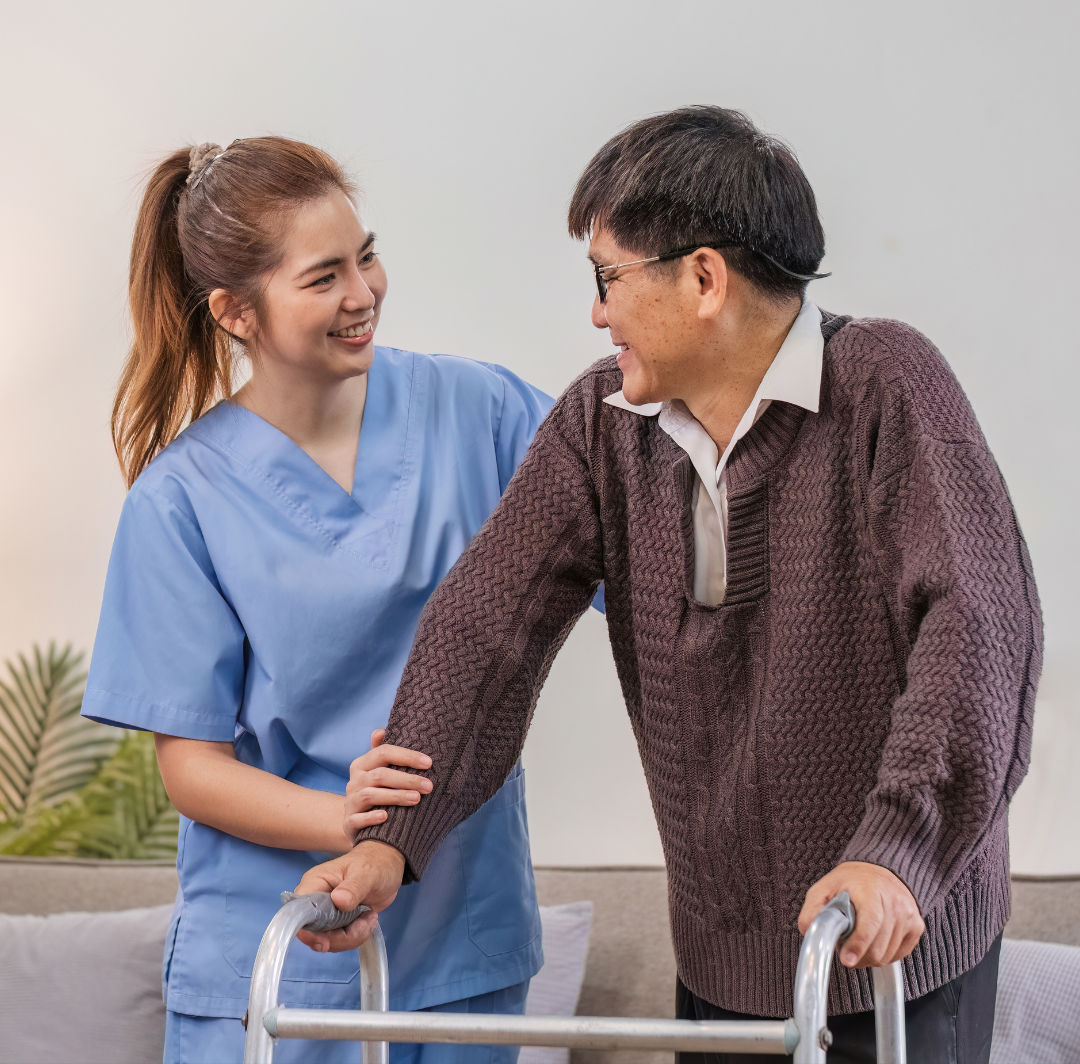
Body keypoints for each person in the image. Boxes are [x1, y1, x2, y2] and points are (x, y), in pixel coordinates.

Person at [296, 109, 1040, 1064]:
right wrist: (390, 837)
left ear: (702, 279)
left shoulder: (886, 384)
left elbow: (980, 628)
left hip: (893, 947)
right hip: (721, 958)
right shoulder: (603, 425)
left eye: (608, 278)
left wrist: (896, 850)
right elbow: (490, 623)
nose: (596, 314)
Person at [82, 137, 553, 1064]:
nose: (363, 293)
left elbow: (647, 539)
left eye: (366, 255)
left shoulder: (482, 412)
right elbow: (193, 768)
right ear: (235, 311)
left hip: (464, 938)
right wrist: (351, 818)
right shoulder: (182, 503)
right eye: (323, 276)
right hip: (281, 954)